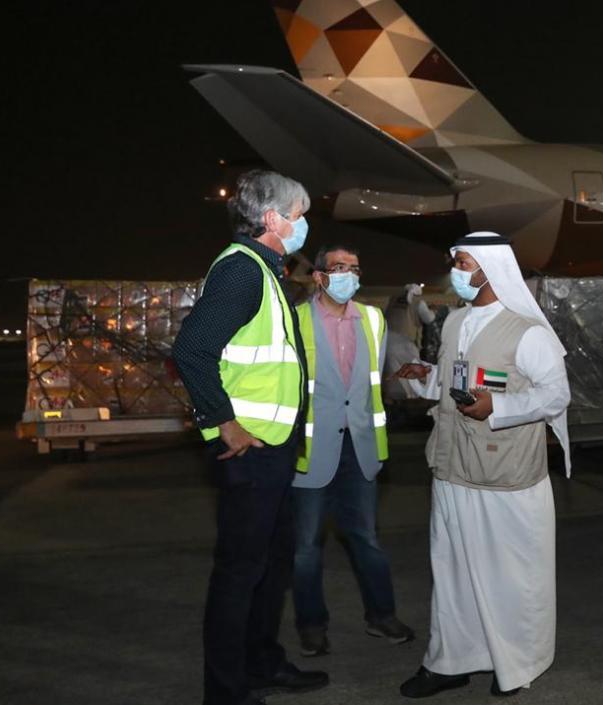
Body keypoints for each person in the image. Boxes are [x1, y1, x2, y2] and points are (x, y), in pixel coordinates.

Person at [172, 169, 328, 705]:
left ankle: (261, 663)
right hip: (250, 448)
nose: (304, 224)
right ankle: (226, 691)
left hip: (273, 446)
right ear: (271, 218)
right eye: (299, 215)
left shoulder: (266, 269)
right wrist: (224, 422)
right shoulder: (241, 270)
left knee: (272, 563)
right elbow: (192, 349)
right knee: (240, 573)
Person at [394, 231, 571, 698]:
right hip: (452, 468)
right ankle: (449, 662)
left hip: (505, 478)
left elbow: (556, 396)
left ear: (490, 269)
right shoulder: (455, 321)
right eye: (455, 263)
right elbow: (457, 380)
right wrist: (426, 378)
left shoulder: (527, 332)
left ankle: (516, 663)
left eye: (463, 264)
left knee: (509, 576)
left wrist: (501, 408)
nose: (455, 272)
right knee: (452, 572)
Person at [290, 243, 414, 656]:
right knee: (306, 548)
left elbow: (370, 384)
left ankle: (382, 616)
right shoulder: (296, 320)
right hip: (310, 449)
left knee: (367, 540)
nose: (349, 275)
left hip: (360, 448)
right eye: (339, 267)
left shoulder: (373, 319)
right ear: (319, 276)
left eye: (355, 268)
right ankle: (311, 625)